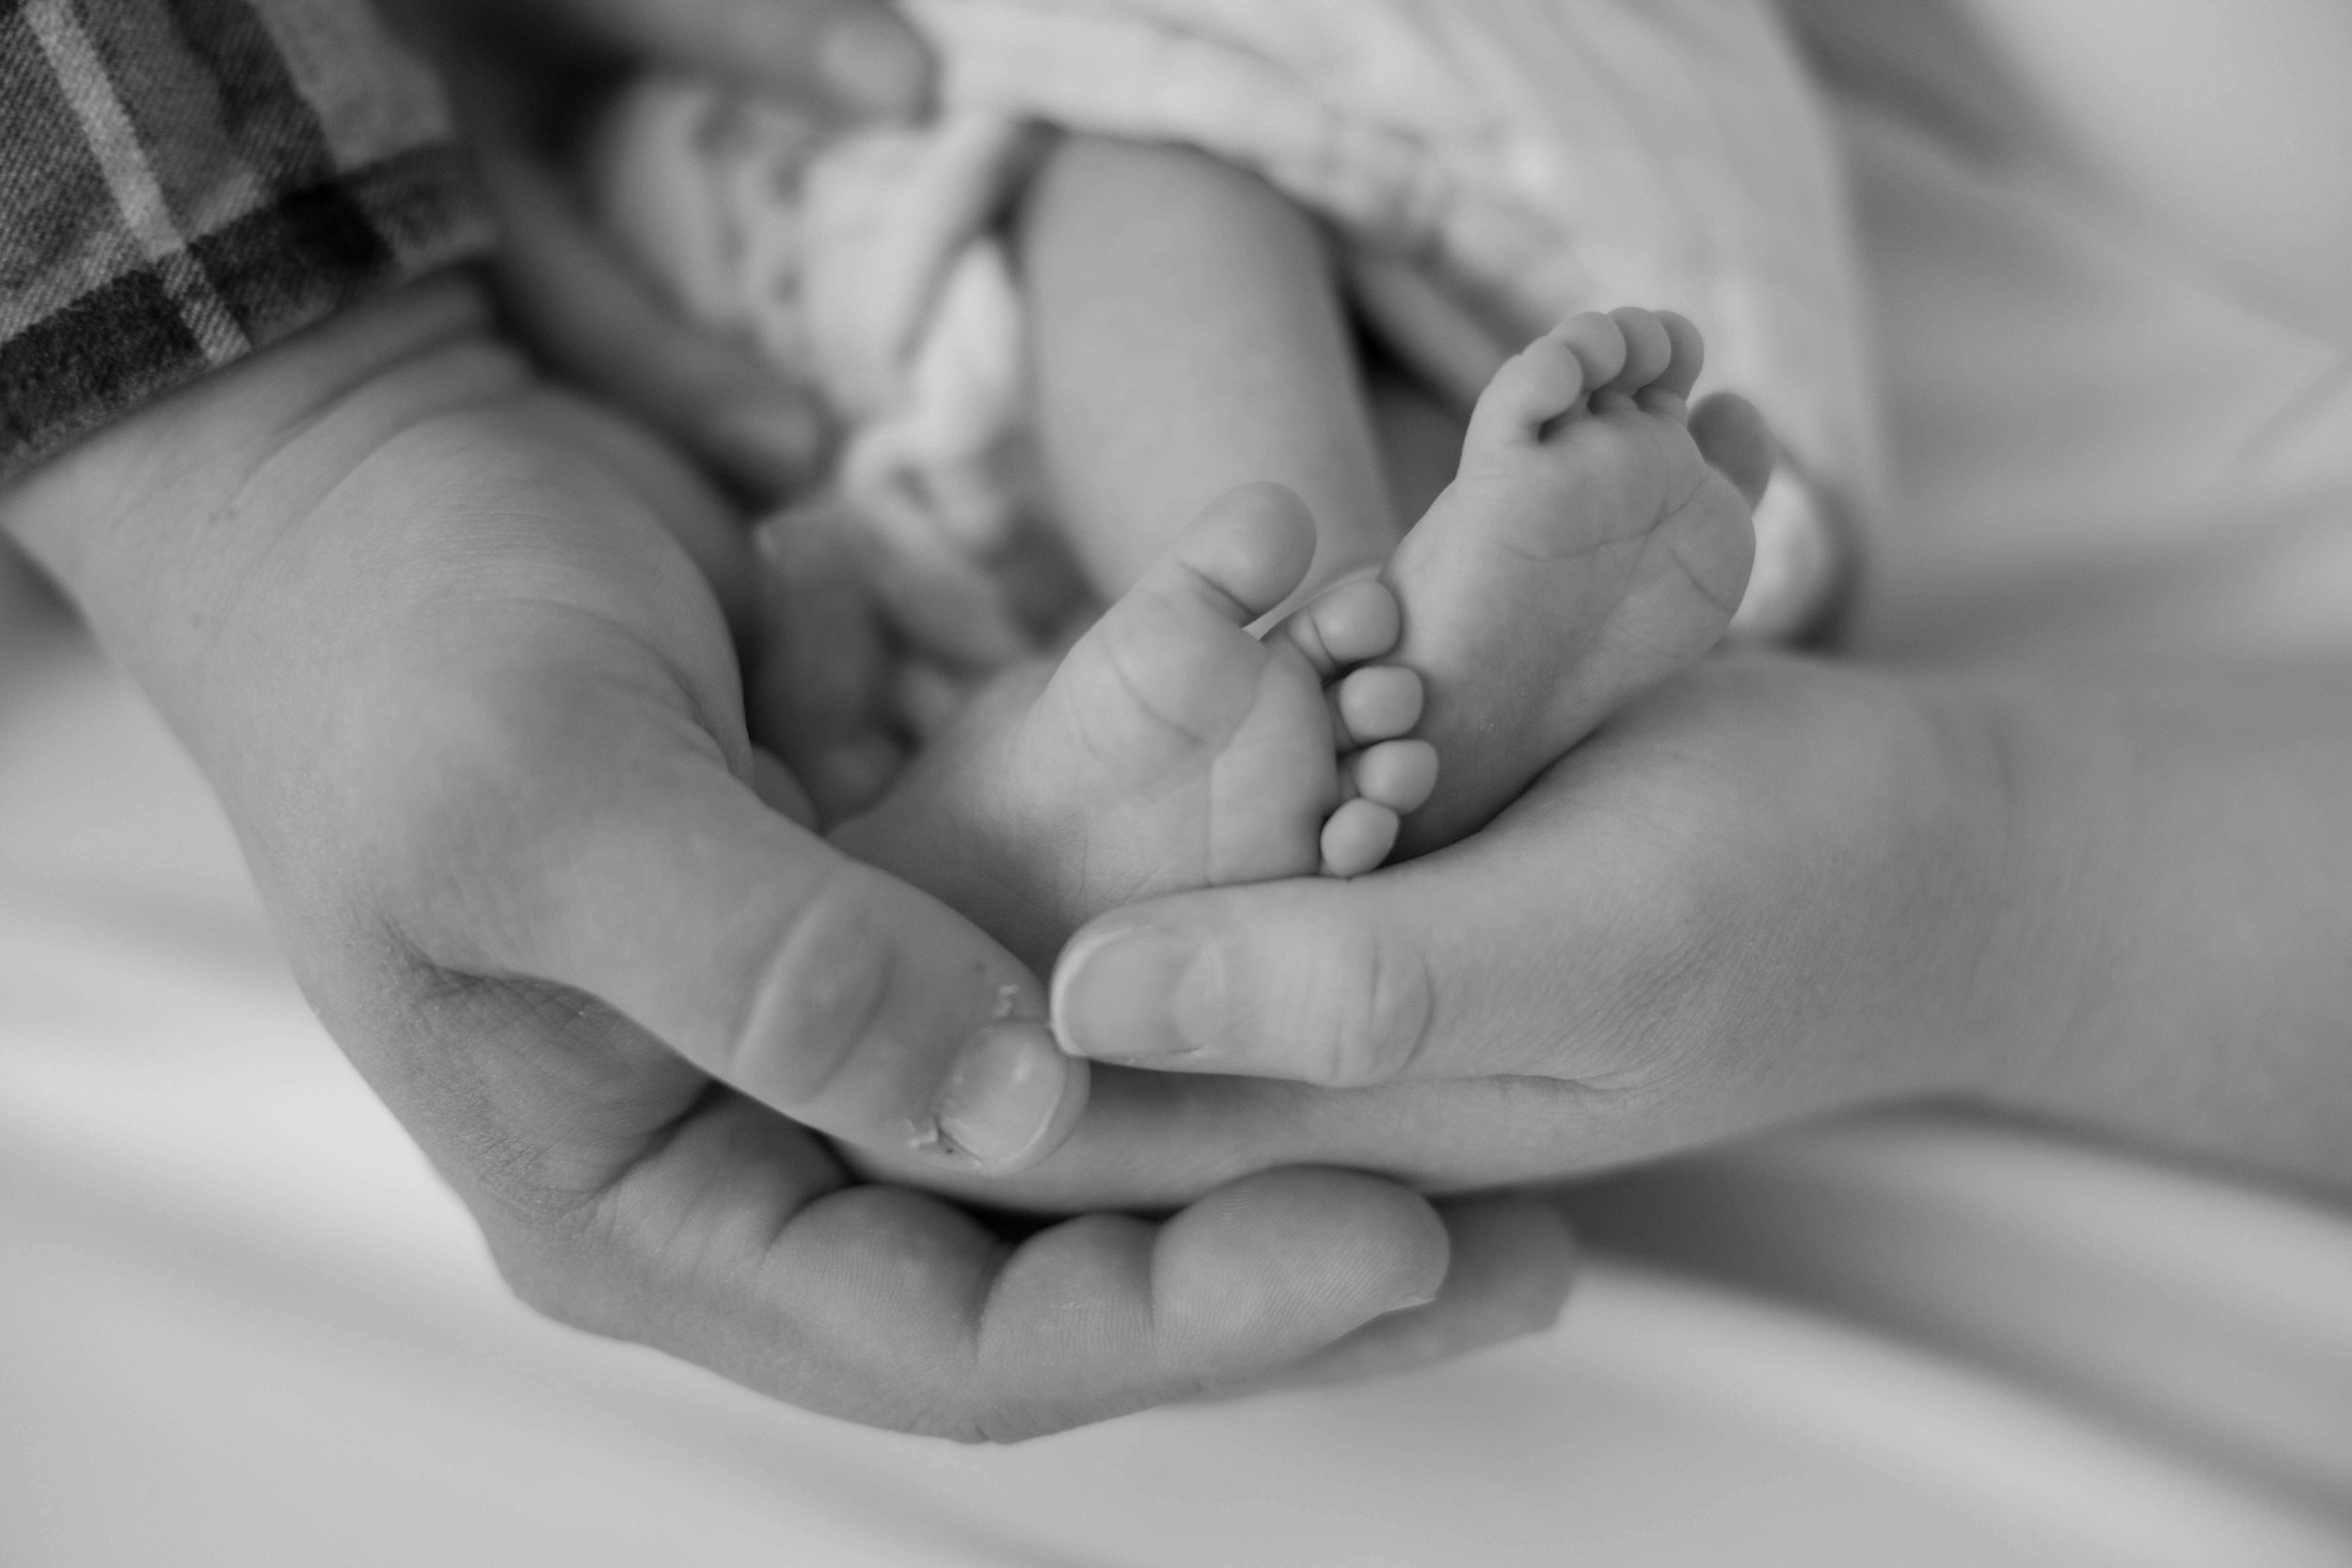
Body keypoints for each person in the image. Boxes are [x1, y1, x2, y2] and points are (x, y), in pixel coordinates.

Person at [0, 0, 1580, 1439]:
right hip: (903, 267)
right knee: (1173, 211)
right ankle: (1325, 642)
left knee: (1206, 273)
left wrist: (300, 429)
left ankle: (1318, 687)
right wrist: (289, 439)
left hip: (716, 362)